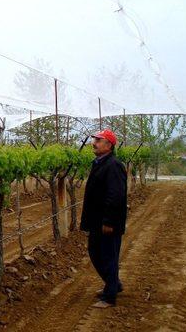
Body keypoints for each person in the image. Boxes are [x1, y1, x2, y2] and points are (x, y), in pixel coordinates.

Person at [80, 129, 127, 308]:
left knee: (108, 256)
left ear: (109, 145)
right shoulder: (100, 163)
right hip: (97, 221)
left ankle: (110, 296)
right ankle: (114, 284)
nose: (94, 142)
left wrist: (109, 222)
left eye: (99, 140)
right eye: (95, 139)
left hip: (107, 223)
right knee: (95, 252)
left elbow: (116, 196)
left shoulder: (113, 165)